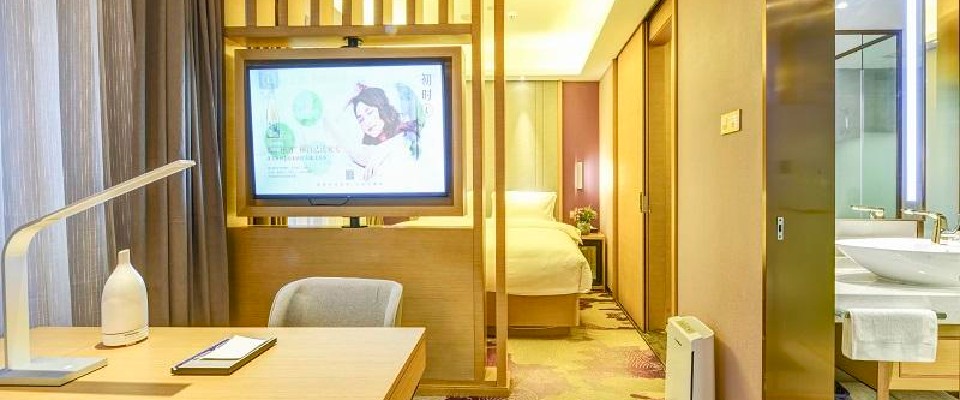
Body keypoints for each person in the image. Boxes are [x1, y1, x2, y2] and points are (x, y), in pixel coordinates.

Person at [329, 86, 419, 180]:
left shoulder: (407, 132)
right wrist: (349, 97)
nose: (366, 122)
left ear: (382, 109)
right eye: (361, 119)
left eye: (369, 112)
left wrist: (383, 149)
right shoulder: (368, 150)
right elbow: (328, 123)